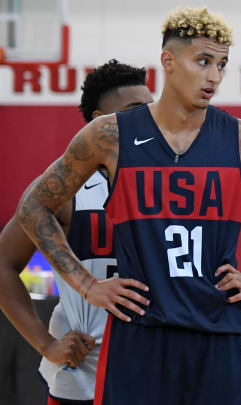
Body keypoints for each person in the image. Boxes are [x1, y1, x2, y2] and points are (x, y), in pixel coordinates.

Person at [16, 7, 241, 405]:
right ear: (168, 62)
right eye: (203, 61)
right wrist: (86, 285)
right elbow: (33, 206)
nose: (214, 76)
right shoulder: (109, 135)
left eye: (222, 64)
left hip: (218, 331)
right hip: (138, 333)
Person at [0, 59, 153, 405]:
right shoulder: (63, 192)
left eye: (152, 108)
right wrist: (46, 344)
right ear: (101, 122)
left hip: (155, 367)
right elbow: (4, 264)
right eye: (136, 110)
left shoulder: (167, 186)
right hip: (86, 377)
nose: (151, 119)